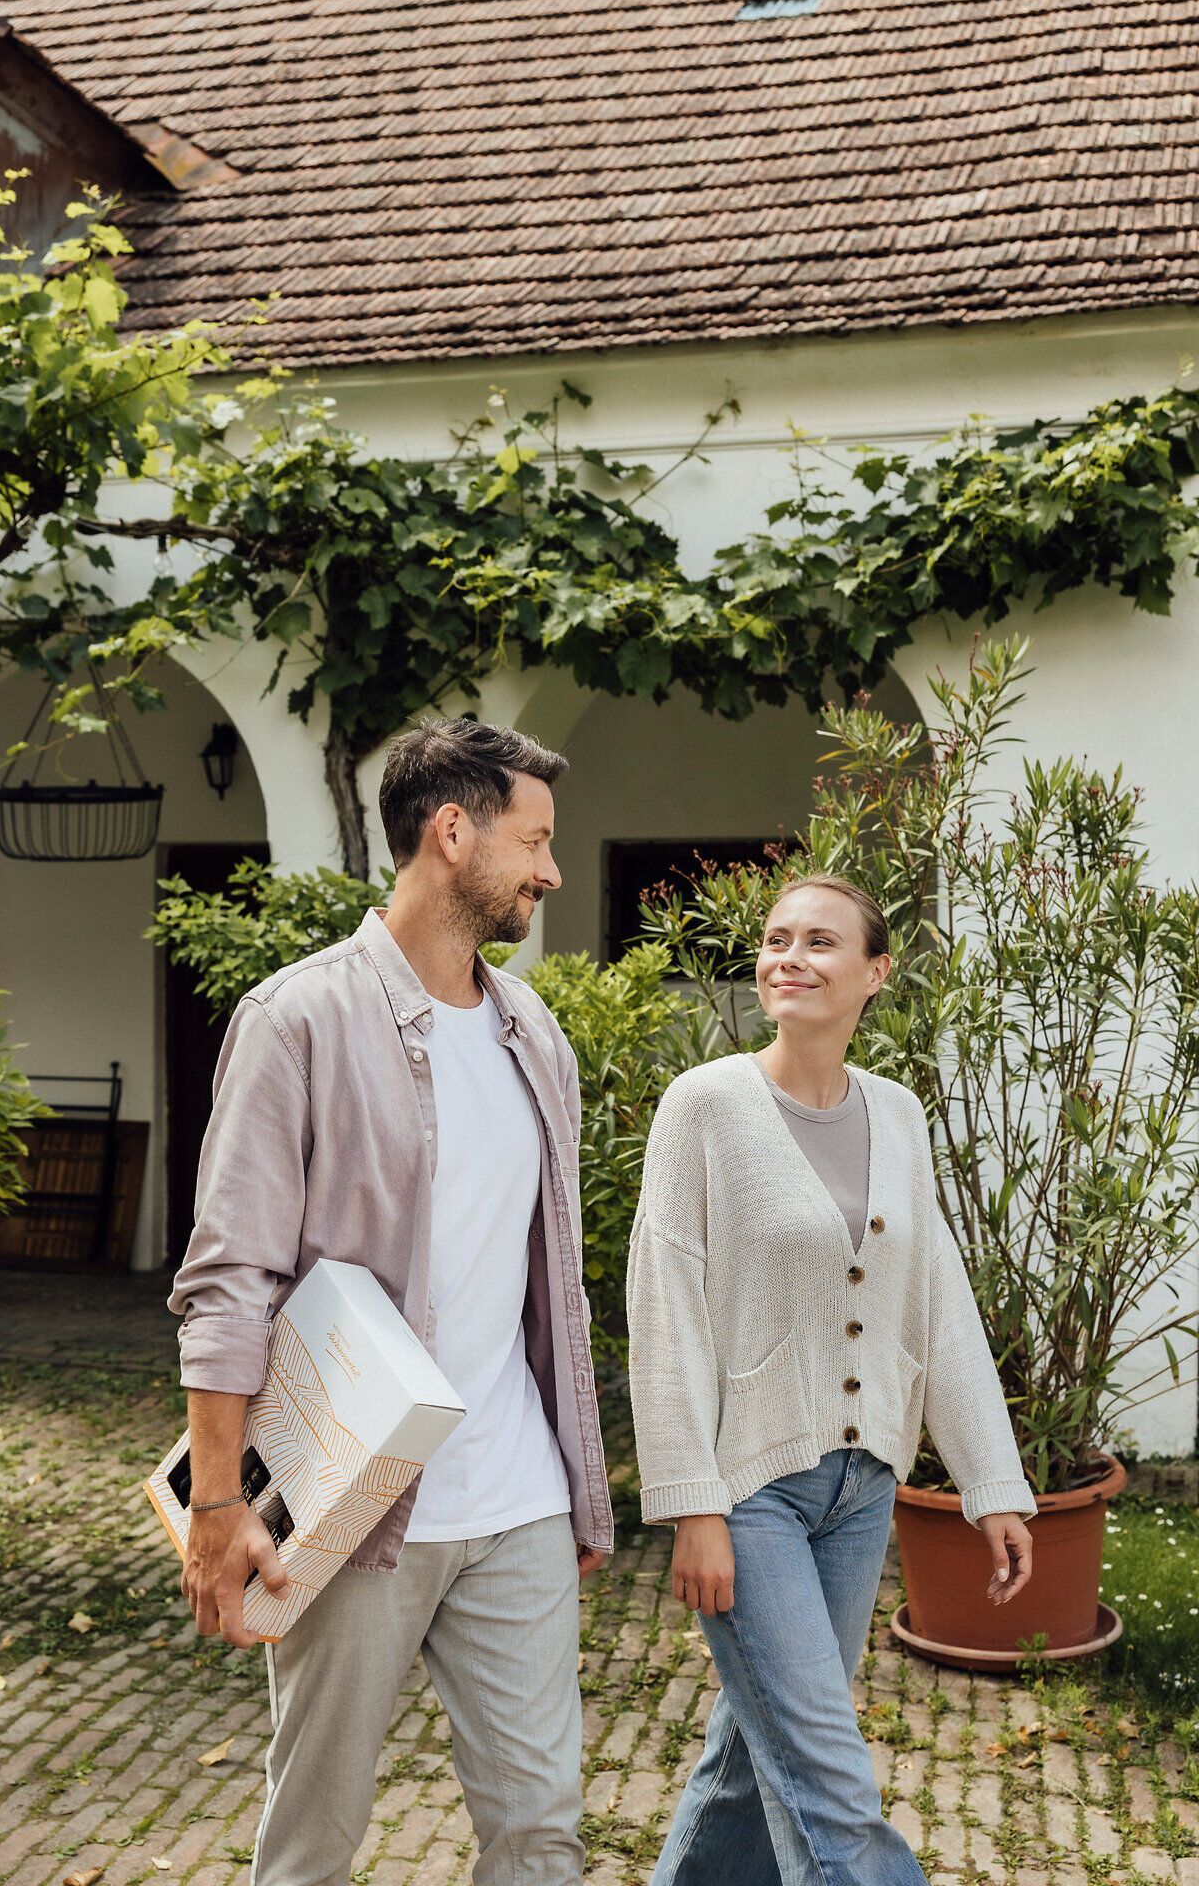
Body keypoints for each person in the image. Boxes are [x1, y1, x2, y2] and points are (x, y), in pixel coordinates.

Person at [169, 716, 613, 1886]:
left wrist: (574, 1483)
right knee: (315, 1835)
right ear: (450, 831)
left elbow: (542, 1286)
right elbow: (229, 1278)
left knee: (540, 1827)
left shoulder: (534, 1035)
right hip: (355, 1505)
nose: (551, 871)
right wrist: (219, 1503)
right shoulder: (298, 1021)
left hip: (513, 1498)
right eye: (535, 842)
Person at [627, 872, 1037, 1885]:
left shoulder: (896, 1114)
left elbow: (932, 1304)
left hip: (860, 1493)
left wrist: (990, 1485)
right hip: (749, 1493)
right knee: (828, 1784)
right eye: (775, 940)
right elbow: (663, 1309)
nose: (787, 959)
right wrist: (692, 1507)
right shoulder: (705, 1107)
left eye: (818, 942)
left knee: (751, 1754)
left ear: (873, 972)